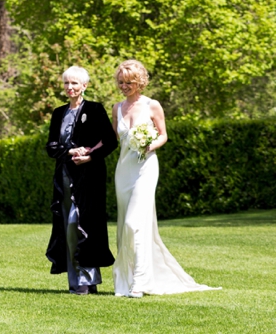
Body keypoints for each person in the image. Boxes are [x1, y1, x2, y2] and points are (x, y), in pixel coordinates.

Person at [112, 59, 220, 298]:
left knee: (134, 223)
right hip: (123, 171)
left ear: (138, 81)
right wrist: (87, 151)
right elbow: (113, 141)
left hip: (145, 169)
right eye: (121, 82)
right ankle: (129, 277)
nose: (124, 86)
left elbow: (163, 135)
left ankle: (139, 283)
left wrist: (149, 145)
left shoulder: (152, 105)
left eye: (128, 82)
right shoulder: (117, 108)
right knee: (125, 228)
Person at [45, 66, 117, 294]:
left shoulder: (95, 110)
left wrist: (89, 156)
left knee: (84, 226)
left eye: (75, 83)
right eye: (66, 83)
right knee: (68, 227)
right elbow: (51, 146)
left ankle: (88, 280)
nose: (70, 87)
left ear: (84, 86)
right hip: (65, 179)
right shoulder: (58, 113)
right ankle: (79, 283)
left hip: (90, 178)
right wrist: (70, 152)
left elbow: (109, 141)